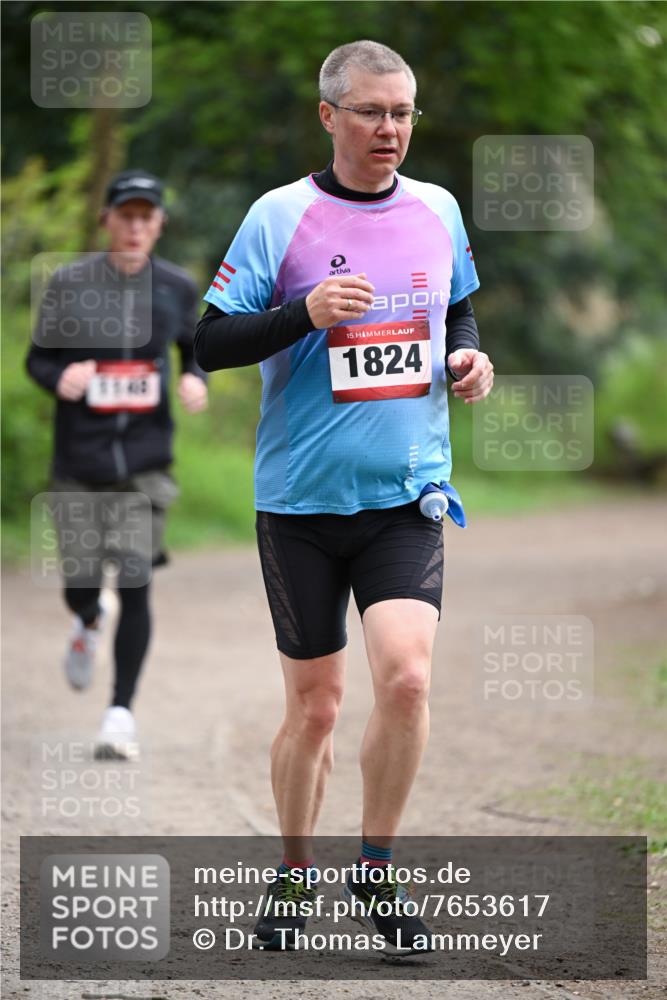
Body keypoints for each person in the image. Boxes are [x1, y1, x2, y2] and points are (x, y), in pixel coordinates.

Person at [195, 40, 493, 954]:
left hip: (407, 496)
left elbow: (457, 310)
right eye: (370, 112)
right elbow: (208, 343)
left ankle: (376, 865)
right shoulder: (278, 216)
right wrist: (304, 315)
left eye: (402, 112)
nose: (389, 130)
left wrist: (469, 358)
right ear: (329, 116)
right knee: (316, 707)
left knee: (405, 678)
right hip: (299, 503)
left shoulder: (437, 209)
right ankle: (293, 875)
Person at [27, 169, 208, 760]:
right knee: (82, 582)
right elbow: (38, 360)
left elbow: (194, 349)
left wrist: (192, 377)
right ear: (106, 219)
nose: (135, 227)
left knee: (135, 578)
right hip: (79, 457)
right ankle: (86, 616)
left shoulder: (178, 286)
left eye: (146, 217)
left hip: (146, 462)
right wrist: (64, 378)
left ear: (158, 225)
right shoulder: (68, 284)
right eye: (125, 215)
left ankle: (120, 713)